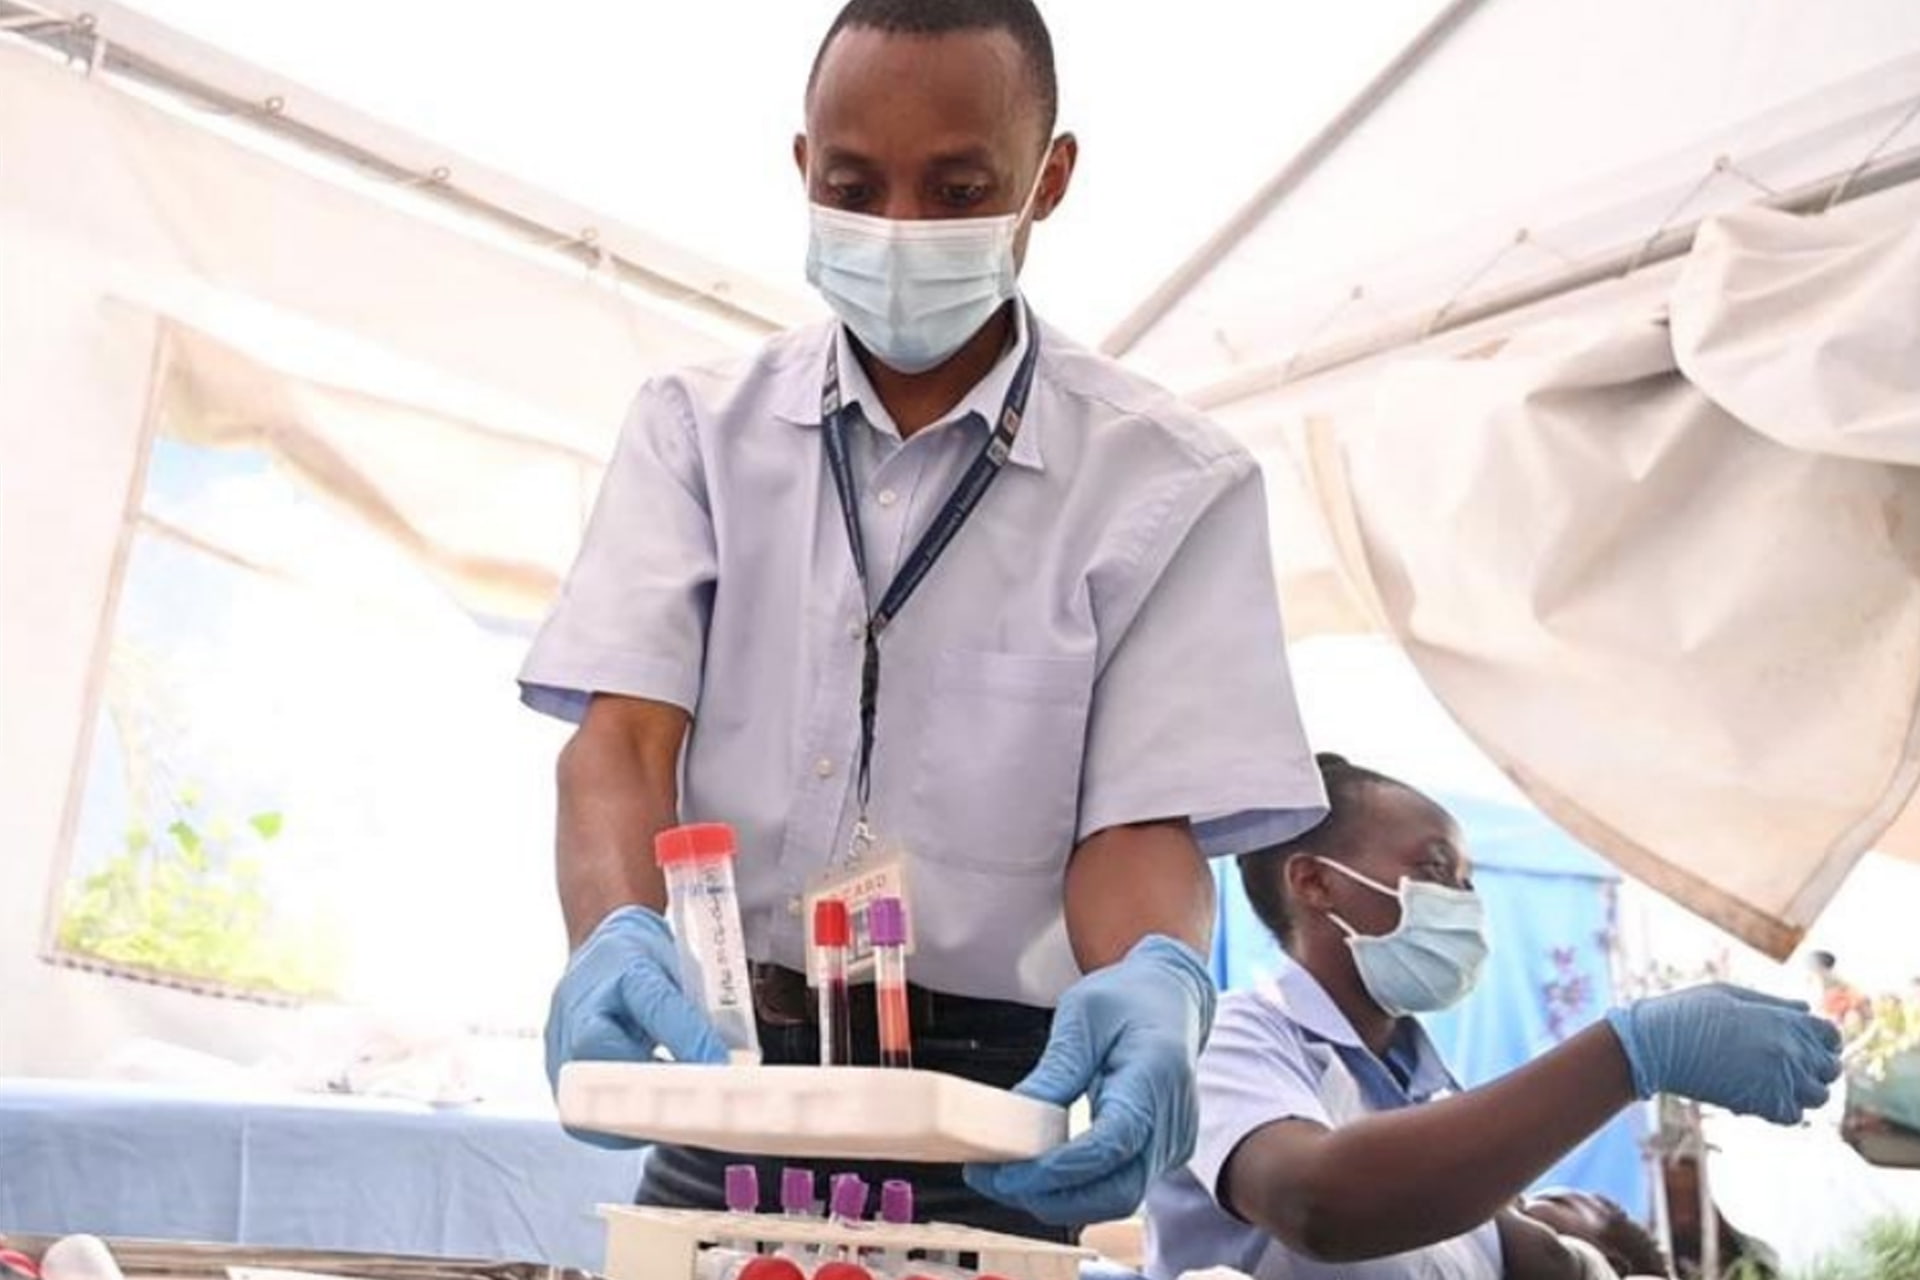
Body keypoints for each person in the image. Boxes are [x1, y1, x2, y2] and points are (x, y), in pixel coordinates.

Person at [519, 0, 1327, 1241]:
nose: (899, 230)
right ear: (803, 168)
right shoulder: (698, 430)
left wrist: (1152, 980)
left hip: (996, 1106)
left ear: (1046, 179)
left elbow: (1134, 827)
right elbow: (623, 739)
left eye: (958, 190)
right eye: (854, 185)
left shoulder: (1164, 482)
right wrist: (617, 934)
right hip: (729, 1074)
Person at [1142, 754, 1844, 1279]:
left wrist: (1606, 1250)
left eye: (1468, 880)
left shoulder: (1426, 1090)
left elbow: (1509, 1250)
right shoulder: (1229, 1040)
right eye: (1436, 867)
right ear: (1316, 882)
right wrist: (1629, 1054)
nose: (1464, 899)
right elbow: (1316, 1203)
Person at [1806, 950, 1872, 1039]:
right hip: (1843, 1027)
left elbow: (1860, 1000)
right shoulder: (1817, 993)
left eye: (1823, 968)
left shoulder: (1842, 984)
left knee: (1853, 1017)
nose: (1822, 972)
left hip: (1856, 1019)